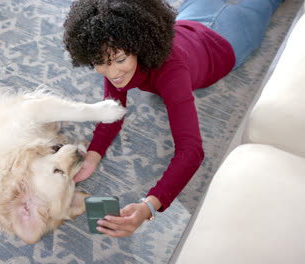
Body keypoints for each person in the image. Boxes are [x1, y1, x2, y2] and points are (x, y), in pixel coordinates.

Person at [62, 0, 283, 237]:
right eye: (100, 62)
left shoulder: (172, 72)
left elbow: (191, 151)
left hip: (227, 40)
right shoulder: (112, 52)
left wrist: (148, 207)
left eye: (120, 60)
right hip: (190, 20)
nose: (113, 73)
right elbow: (113, 111)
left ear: (138, 45)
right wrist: (92, 157)